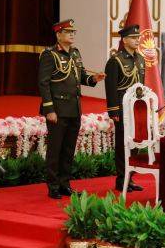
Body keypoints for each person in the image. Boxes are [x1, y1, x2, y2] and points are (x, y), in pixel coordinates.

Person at [38, 19, 106, 199]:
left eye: (73, 32)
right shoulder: (49, 55)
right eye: (68, 32)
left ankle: (64, 184)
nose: (72, 35)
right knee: (55, 149)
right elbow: (43, 83)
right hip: (58, 109)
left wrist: (94, 79)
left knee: (68, 149)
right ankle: (53, 186)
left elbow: (81, 77)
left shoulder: (75, 53)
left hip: (74, 108)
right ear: (58, 34)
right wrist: (49, 109)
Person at [104, 24, 145, 192]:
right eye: (134, 38)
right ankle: (122, 179)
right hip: (122, 109)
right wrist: (113, 111)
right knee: (123, 145)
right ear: (124, 40)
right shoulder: (116, 61)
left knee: (135, 144)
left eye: (138, 38)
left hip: (138, 110)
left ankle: (131, 178)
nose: (137, 40)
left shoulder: (140, 59)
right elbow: (111, 87)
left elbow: (143, 86)